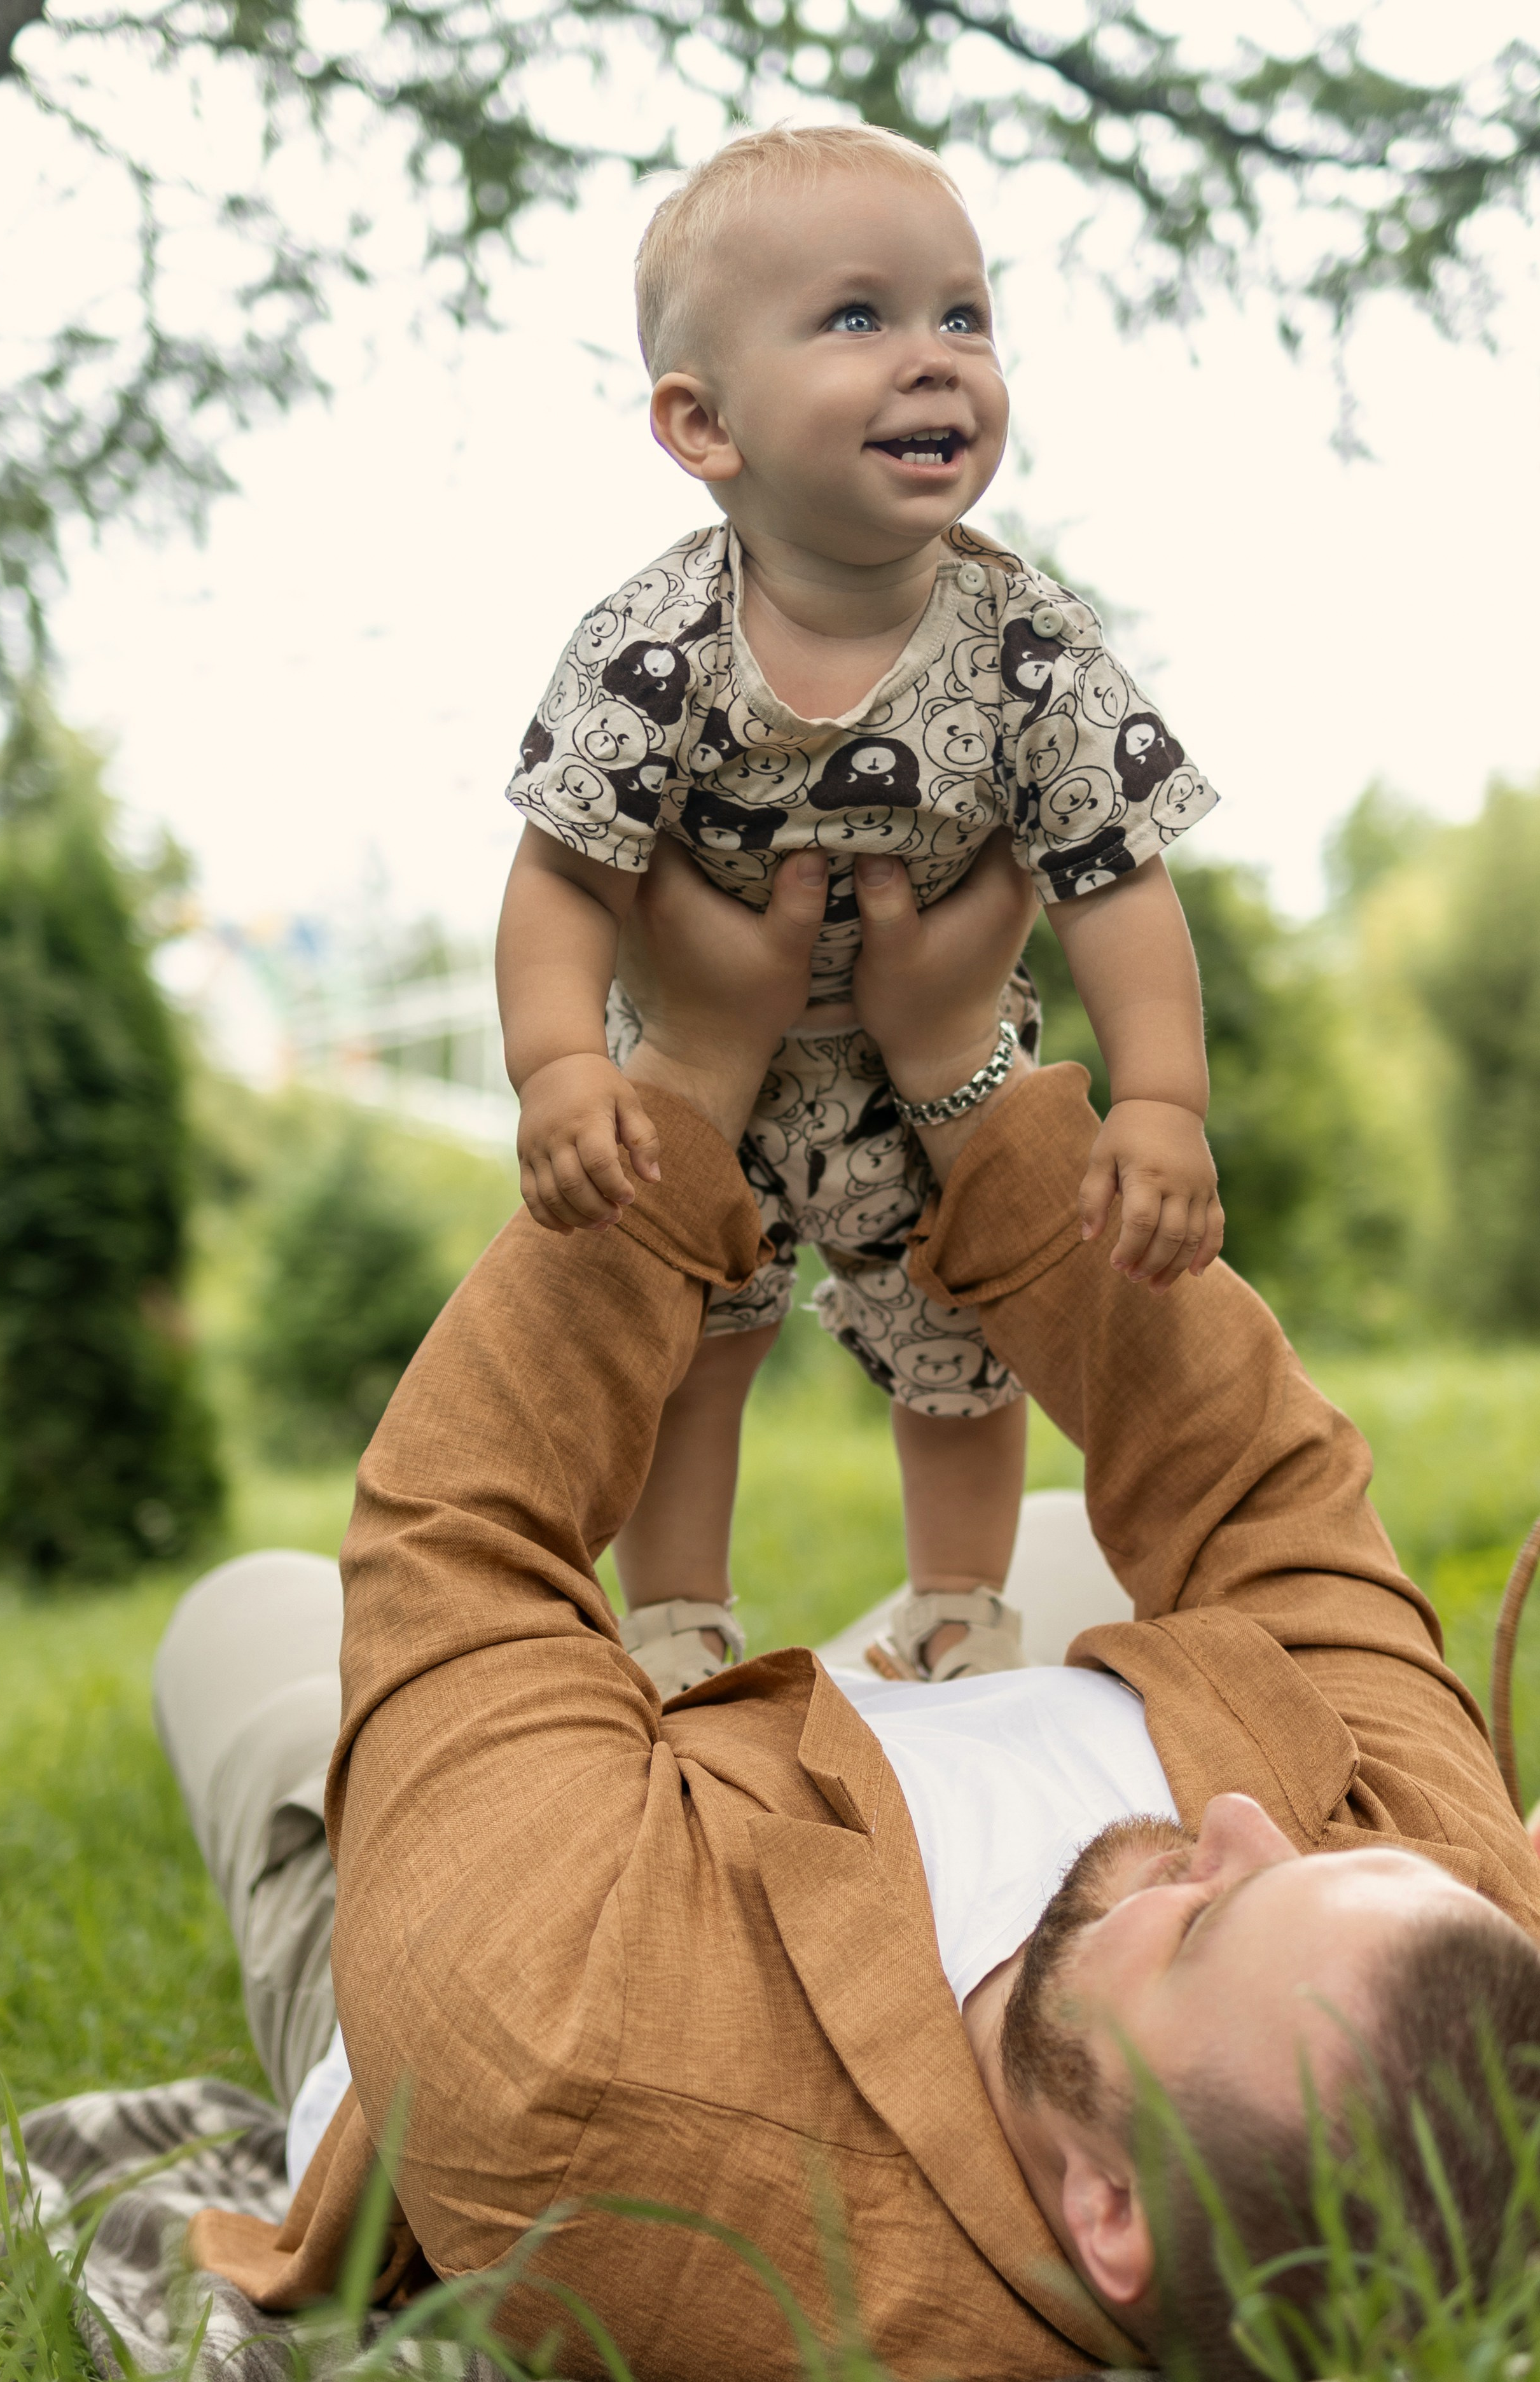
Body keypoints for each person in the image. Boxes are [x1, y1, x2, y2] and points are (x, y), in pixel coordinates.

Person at [181, 839, 1540, 2382]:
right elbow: (1269, 1501)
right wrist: (963, 1073)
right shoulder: (1430, 1928)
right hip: (861, 1739)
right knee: (1051, 1535)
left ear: (1106, 2214)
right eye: (1301, 1862)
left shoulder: (600, 2077)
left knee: (249, 1621)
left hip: (562, 1857)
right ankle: (903, 1673)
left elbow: (462, 1539)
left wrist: (688, 1072)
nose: (1246, 1819)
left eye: (1209, 1920)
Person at [492, 122, 1225, 1697]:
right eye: (858, 318)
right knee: (692, 1339)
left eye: (964, 317)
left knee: (964, 1345)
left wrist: (1159, 1100)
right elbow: (564, 874)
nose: (933, 361)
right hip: (700, 1078)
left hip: (933, 1091)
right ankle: (678, 1622)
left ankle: (959, 1610)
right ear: (703, 424)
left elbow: (1116, 877)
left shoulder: (1027, 638)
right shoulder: (652, 647)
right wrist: (560, 1068)